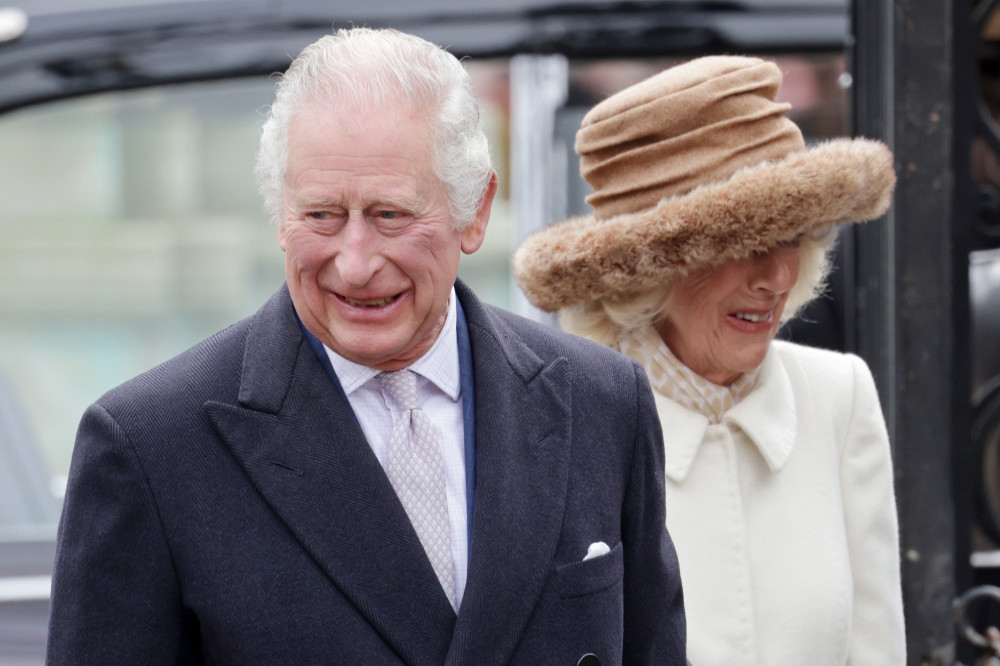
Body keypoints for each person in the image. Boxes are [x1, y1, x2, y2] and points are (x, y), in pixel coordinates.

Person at [45, 28, 687, 665]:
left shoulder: (603, 403)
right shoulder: (151, 445)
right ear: (279, 215)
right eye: (321, 215)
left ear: (475, 211)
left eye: (391, 215)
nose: (354, 265)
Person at [513, 56, 905, 665]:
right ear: (653, 273)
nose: (778, 276)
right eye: (746, 243)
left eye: (792, 237)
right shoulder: (566, 424)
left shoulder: (839, 396)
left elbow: (878, 650)